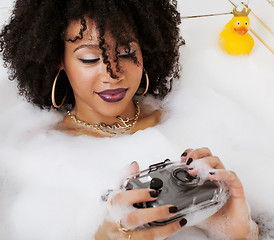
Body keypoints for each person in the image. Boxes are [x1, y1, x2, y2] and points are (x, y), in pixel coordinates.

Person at [0, 0, 258, 239]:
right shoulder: (34, 153)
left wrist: (239, 231)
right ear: (59, 61)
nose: (112, 74)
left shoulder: (191, 118)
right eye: (89, 58)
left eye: (125, 53)